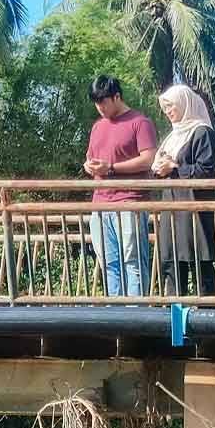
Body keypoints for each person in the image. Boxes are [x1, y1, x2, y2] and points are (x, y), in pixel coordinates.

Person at [83, 75, 158, 297]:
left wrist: (112, 168)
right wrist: (89, 166)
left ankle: (137, 315)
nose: (100, 107)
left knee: (132, 260)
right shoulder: (97, 127)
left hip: (130, 202)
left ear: (117, 97)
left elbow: (148, 159)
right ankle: (115, 315)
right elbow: (90, 157)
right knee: (108, 261)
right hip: (100, 204)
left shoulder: (140, 122)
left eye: (103, 102)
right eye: (96, 103)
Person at [151, 84, 215, 296]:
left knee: (201, 267)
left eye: (171, 106)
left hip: (195, 212)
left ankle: (209, 324)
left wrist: (174, 167)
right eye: (165, 109)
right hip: (171, 210)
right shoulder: (172, 138)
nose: (168, 112)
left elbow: (207, 171)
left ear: (184, 103)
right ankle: (174, 324)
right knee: (171, 267)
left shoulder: (202, 133)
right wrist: (159, 169)